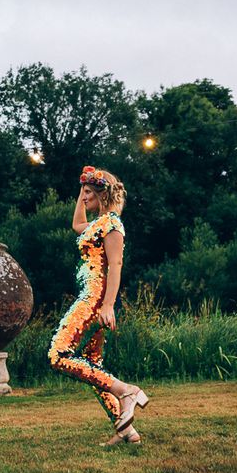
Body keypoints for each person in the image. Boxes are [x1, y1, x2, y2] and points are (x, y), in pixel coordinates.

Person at [48, 166, 149, 445]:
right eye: (83, 193)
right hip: (91, 296)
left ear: (103, 195)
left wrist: (108, 305)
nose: (84, 198)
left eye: (89, 193)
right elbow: (76, 225)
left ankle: (126, 391)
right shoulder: (97, 224)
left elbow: (116, 265)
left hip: (94, 299)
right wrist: (81, 189)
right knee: (92, 363)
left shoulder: (112, 225)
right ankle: (127, 431)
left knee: (58, 354)